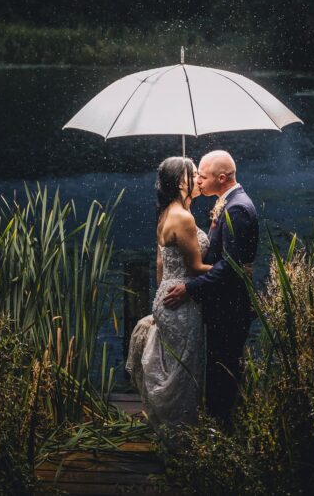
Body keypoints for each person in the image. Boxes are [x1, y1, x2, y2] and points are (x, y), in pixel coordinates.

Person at [164, 150, 259, 428]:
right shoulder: (226, 203)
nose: (198, 181)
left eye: (202, 177)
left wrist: (190, 289)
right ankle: (218, 432)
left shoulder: (237, 208)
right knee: (218, 372)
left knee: (224, 375)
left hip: (230, 308)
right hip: (221, 306)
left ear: (221, 178)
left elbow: (229, 267)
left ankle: (223, 437)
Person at [126, 156, 211, 436]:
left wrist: (162, 298)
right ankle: (181, 437)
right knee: (185, 369)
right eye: (194, 174)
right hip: (181, 300)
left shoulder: (166, 213)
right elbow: (197, 268)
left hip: (166, 295)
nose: (199, 179)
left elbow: (161, 265)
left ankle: (169, 431)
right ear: (181, 181)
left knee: (174, 364)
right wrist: (233, 269)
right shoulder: (183, 217)